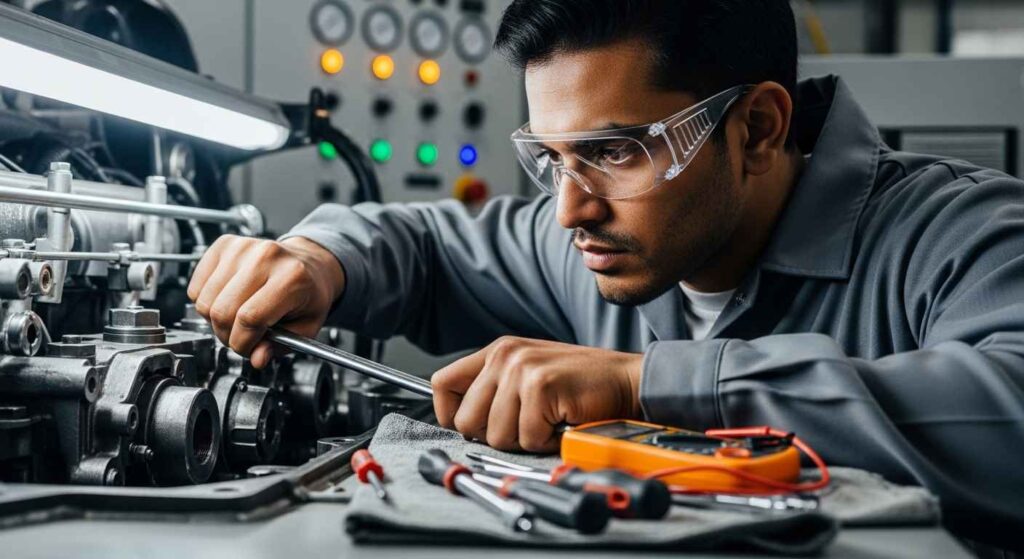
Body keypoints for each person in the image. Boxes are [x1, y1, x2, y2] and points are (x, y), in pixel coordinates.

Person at [187, 0, 1024, 549]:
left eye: (614, 152)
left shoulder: (959, 232)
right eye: (549, 159)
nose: (568, 210)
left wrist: (645, 385)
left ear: (760, 129)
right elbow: (422, 245)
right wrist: (313, 260)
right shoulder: (595, 249)